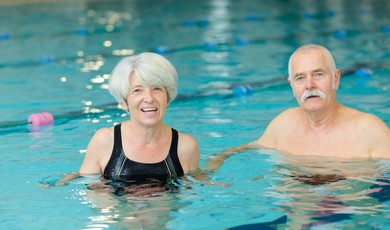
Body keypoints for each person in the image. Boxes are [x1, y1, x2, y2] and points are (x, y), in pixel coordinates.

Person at [208, 44, 390, 173]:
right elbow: (249, 147)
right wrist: (215, 164)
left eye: (318, 75)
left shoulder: (369, 130)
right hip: (299, 213)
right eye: (300, 78)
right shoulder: (284, 124)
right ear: (291, 85)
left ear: (336, 78)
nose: (309, 85)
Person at [73, 52, 200, 193]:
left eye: (157, 88)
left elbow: (192, 189)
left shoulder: (185, 146)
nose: (149, 98)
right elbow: (88, 187)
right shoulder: (104, 141)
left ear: (168, 97)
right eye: (137, 90)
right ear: (124, 102)